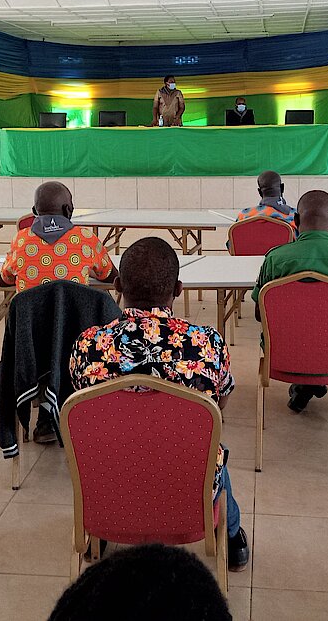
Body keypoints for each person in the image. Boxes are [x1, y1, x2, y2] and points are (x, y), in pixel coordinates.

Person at [69, 237, 249, 572]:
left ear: (118, 286)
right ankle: (232, 537)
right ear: (178, 289)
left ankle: (101, 529)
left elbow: (85, 410)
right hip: (185, 491)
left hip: (109, 483)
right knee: (212, 448)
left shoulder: (87, 345)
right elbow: (219, 404)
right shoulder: (206, 344)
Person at [251, 190, 328, 412]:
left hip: (283, 355)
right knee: (324, 338)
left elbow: (260, 314)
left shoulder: (275, 259)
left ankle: (306, 384)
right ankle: (312, 382)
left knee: (303, 337)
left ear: (296, 220)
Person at [47, 543, 231, 621]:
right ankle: (234, 538)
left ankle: (99, 532)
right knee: (220, 476)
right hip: (186, 513)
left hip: (116, 508)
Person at [0, 181, 118, 292]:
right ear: (68, 209)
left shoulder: (20, 239)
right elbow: (110, 276)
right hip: (74, 308)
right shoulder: (86, 237)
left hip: (30, 308)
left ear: (35, 211)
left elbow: (4, 281)